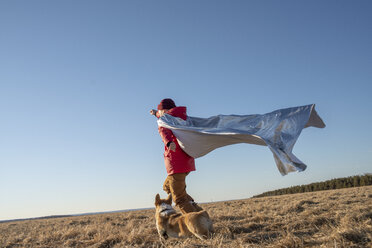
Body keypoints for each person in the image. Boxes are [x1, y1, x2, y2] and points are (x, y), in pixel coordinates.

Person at [150, 98, 203, 214]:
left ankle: (197, 222)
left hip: (175, 164)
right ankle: (198, 211)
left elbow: (163, 131)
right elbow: (162, 115)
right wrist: (155, 113)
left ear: (165, 111)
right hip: (186, 162)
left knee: (179, 199)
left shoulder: (164, 120)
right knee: (167, 187)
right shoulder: (181, 119)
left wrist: (169, 142)